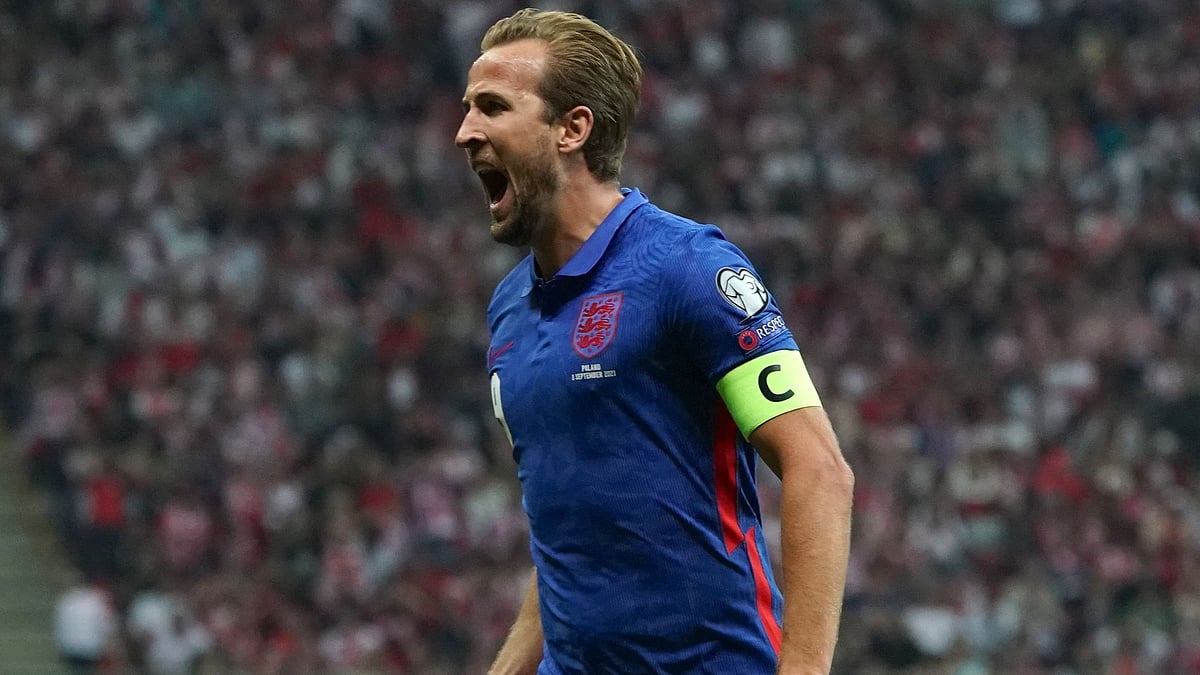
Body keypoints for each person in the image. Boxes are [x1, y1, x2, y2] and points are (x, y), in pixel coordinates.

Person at [456, 8, 854, 674]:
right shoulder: (508, 311)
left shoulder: (687, 268)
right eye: (468, 108)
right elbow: (567, 535)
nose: (465, 132)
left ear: (571, 129)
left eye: (493, 108)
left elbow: (820, 470)